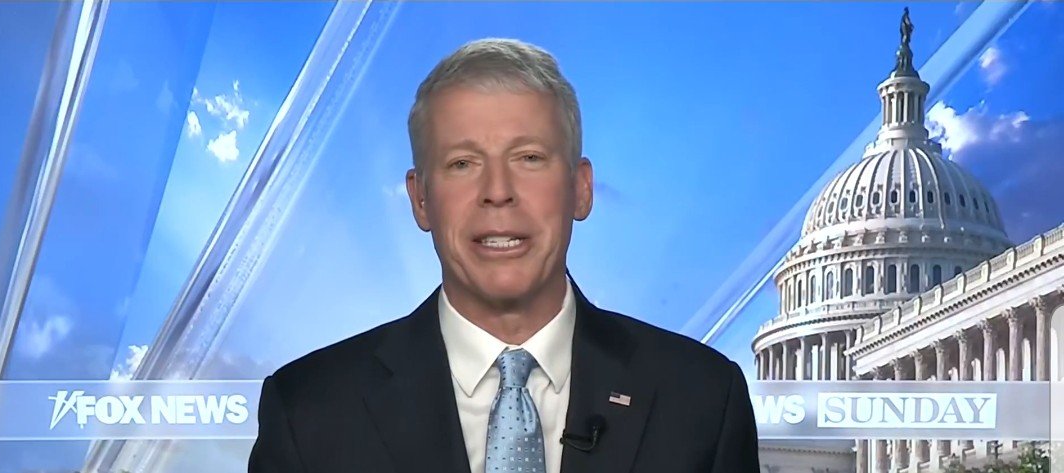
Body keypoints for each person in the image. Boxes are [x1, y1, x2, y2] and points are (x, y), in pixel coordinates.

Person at [248, 38, 759, 473]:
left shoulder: (702, 398)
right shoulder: (309, 411)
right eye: (463, 163)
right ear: (420, 199)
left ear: (581, 189)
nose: (497, 191)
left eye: (529, 158)